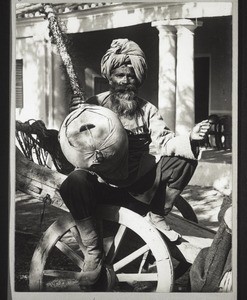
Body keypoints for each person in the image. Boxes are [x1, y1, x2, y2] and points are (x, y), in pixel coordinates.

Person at [59, 38, 210, 286]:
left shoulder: (148, 110)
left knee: (184, 158)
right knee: (74, 182)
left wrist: (191, 139)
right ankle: (94, 253)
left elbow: (165, 140)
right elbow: (74, 137)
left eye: (131, 76)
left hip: (139, 191)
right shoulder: (94, 105)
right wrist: (76, 112)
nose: (126, 81)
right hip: (102, 187)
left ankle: (157, 215)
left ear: (138, 79)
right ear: (110, 77)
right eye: (120, 75)